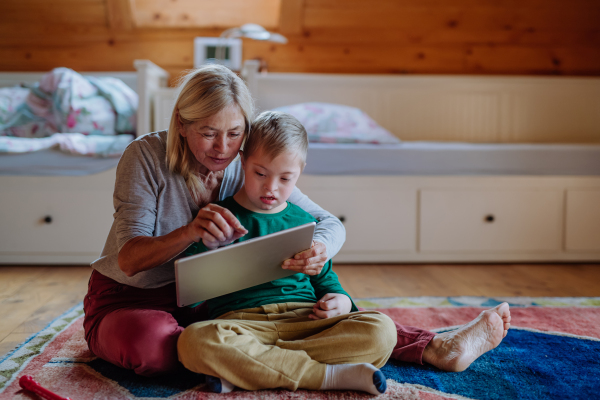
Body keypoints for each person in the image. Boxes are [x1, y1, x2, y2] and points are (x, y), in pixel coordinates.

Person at [83, 62, 511, 380]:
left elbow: (325, 221)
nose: (222, 147)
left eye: (235, 133)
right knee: (158, 349)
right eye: (208, 132)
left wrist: (319, 251)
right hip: (134, 297)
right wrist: (190, 231)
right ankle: (319, 369)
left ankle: (435, 347)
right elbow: (130, 259)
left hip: (219, 305)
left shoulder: (246, 163)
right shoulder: (145, 157)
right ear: (181, 124)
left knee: (331, 312)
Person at [177, 111, 397, 394]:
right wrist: (208, 247)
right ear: (242, 162)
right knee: (193, 342)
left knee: (381, 330)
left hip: (305, 322)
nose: (271, 187)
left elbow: (326, 279)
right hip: (242, 326)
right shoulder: (220, 217)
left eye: (285, 178)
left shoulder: (305, 222)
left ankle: (249, 369)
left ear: (300, 172)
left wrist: (340, 301)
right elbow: (192, 290)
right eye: (260, 173)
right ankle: (327, 376)